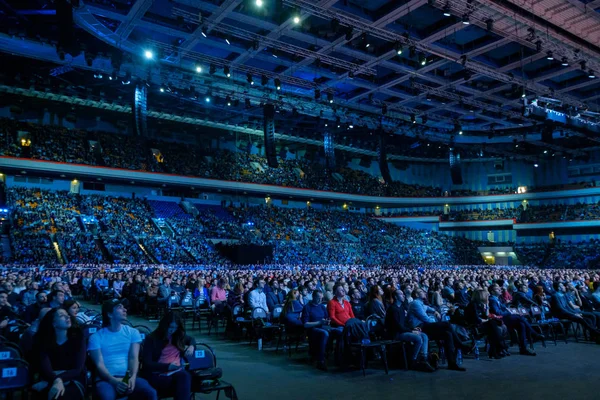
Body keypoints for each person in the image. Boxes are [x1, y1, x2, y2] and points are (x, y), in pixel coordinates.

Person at [88, 299, 157, 400]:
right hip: (106, 379)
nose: (125, 309)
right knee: (106, 396)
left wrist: (132, 377)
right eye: (119, 307)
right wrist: (113, 381)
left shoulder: (133, 332)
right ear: (110, 314)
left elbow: (133, 358)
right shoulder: (96, 337)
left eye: (124, 307)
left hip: (128, 377)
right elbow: (99, 364)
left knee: (150, 393)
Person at [407, 288, 466, 371]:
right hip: (419, 327)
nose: (424, 292)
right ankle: (461, 345)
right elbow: (425, 318)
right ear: (416, 295)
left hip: (425, 326)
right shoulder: (415, 303)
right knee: (446, 324)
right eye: (421, 292)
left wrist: (435, 311)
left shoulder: (421, 303)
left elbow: (429, 308)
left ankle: (452, 363)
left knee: (447, 334)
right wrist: (436, 322)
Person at [33, 308, 86, 399]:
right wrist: (57, 380)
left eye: (67, 314)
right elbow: (46, 368)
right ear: (53, 323)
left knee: (60, 394)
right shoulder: (42, 341)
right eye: (62, 315)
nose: (67, 317)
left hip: (73, 379)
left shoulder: (78, 338)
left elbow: (77, 369)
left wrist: (58, 379)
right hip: (50, 378)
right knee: (54, 393)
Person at [141, 312, 194, 400]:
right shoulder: (152, 338)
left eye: (175, 328)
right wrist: (167, 367)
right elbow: (147, 363)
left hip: (176, 371)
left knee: (185, 376)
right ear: (164, 325)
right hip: (158, 373)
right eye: (170, 327)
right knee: (184, 379)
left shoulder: (177, 335)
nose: (172, 330)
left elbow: (191, 339)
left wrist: (192, 346)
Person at [384, 289, 435, 372]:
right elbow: (398, 326)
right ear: (396, 297)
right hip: (396, 334)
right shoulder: (393, 309)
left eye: (403, 294)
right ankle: (413, 361)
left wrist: (413, 329)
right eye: (401, 294)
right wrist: (411, 331)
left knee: (424, 336)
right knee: (418, 338)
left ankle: (423, 358)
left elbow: (404, 324)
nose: (403, 295)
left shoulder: (401, 307)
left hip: (402, 331)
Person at [488, 284, 539, 355]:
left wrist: (510, 308)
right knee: (519, 317)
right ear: (492, 291)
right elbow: (498, 312)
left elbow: (505, 308)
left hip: (505, 318)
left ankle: (523, 348)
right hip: (498, 320)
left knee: (521, 325)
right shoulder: (492, 299)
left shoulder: (497, 299)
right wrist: (509, 312)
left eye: (499, 288)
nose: (500, 290)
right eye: (497, 289)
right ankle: (534, 334)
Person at [302, 289, 341, 371]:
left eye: (321, 298)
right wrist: (319, 322)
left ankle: (339, 357)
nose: (320, 300)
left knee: (339, 332)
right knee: (325, 334)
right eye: (318, 298)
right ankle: (321, 360)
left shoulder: (322, 306)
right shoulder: (307, 307)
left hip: (323, 326)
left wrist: (327, 321)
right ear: (313, 297)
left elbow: (327, 318)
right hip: (313, 328)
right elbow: (305, 324)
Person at [465, 289, 508, 359]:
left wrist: (487, 305)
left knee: (495, 327)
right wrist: (487, 320)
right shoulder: (472, 305)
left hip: (484, 323)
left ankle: (495, 350)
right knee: (493, 326)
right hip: (475, 325)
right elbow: (477, 319)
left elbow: (486, 315)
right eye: (486, 295)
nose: (488, 296)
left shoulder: (481, 304)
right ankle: (499, 348)